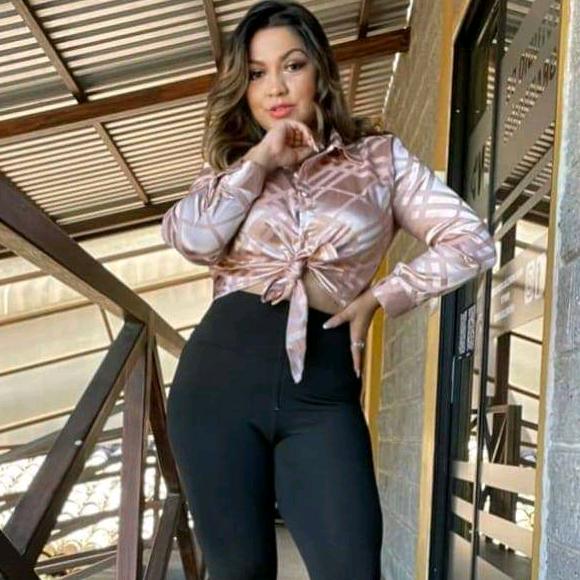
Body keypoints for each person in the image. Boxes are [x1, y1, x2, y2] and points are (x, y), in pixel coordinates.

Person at [161, 1, 497, 578]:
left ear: (319, 69)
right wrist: (261, 159)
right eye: (257, 73)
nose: (276, 87)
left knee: (352, 567)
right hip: (218, 381)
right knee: (238, 571)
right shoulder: (231, 169)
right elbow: (191, 239)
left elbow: (471, 241)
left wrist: (381, 297)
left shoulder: (380, 160)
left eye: (292, 65)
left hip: (322, 385)